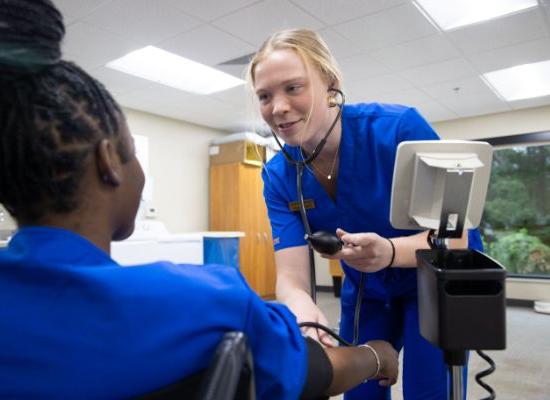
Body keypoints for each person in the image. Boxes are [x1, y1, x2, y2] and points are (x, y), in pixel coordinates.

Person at [0, 1, 399, 399]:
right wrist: (376, 356)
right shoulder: (206, 300)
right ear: (109, 162)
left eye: (293, 87)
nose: (278, 107)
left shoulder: (389, 128)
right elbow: (314, 371)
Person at [247, 28, 483, 400]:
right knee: (359, 388)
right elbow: (291, 278)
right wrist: (306, 317)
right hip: (368, 288)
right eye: (265, 96)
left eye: (293, 88)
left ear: (330, 83)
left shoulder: (398, 129)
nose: (277, 107)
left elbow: (455, 236)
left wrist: (388, 252)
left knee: (430, 389)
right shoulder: (278, 175)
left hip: (436, 277)